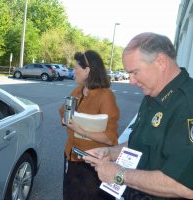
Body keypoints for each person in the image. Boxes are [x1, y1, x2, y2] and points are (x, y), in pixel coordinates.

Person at [82, 32, 193, 199]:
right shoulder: (153, 94)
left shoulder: (187, 104)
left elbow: (185, 186)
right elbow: (140, 142)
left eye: (135, 72)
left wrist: (120, 174)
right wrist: (110, 152)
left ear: (160, 62)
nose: (131, 81)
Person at [59, 50, 120, 200]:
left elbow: (110, 139)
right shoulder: (78, 90)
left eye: (76, 68)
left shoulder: (105, 96)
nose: (73, 72)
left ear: (88, 70)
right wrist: (65, 118)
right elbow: (63, 110)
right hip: (71, 157)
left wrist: (82, 130)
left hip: (91, 164)